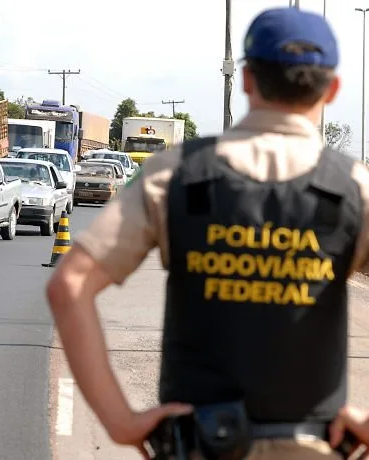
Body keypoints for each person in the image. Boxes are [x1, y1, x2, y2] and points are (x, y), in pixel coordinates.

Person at [46, 7, 369, 460]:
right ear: (333, 88)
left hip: (197, 445)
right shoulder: (355, 188)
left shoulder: (177, 173)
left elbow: (69, 284)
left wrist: (121, 422)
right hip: (316, 446)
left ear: (247, 80)